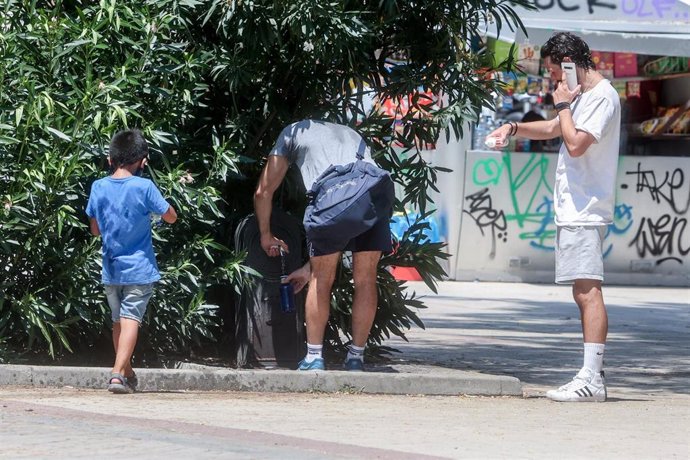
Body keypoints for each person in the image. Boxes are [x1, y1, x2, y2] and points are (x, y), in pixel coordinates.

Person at [487, 32, 621, 402]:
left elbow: (576, 145)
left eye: (555, 72)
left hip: (586, 207)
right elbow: (552, 130)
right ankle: (592, 374)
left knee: (587, 291)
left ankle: (592, 377)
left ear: (568, 62)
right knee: (583, 291)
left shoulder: (601, 97)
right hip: (575, 206)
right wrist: (512, 129)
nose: (554, 81)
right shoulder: (581, 97)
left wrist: (563, 106)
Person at [253, 120, 393, 371]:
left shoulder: (293, 131)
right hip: (373, 197)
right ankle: (356, 358)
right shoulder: (351, 133)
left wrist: (265, 234)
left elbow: (263, 191)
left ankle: (314, 357)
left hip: (331, 198)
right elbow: (353, 208)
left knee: (321, 278)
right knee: (365, 279)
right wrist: (307, 268)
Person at [86, 129, 177, 393]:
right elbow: (170, 216)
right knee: (130, 319)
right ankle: (117, 374)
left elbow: (95, 229)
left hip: (111, 268)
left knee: (119, 321)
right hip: (138, 268)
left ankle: (127, 371)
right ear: (142, 160)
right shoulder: (144, 186)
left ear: (110, 158)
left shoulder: (98, 187)